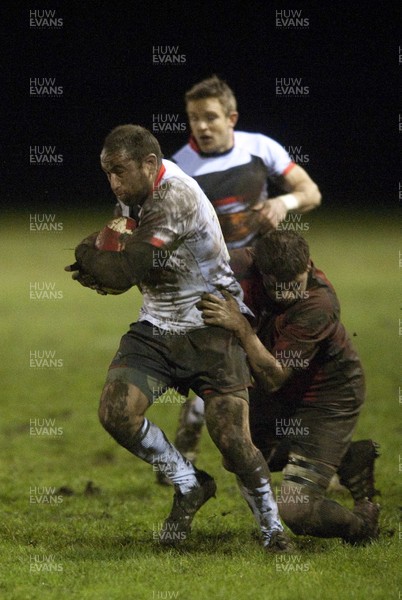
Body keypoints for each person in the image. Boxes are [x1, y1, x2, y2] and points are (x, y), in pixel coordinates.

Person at [65, 124, 293, 552]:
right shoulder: (134, 193)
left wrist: (85, 253)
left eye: (119, 171)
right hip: (157, 325)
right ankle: (190, 483)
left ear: (149, 165)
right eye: (107, 173)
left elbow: (121, 271)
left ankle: (272, 529)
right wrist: (102, 268)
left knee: (231, 439)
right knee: (116, 411)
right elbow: (123, 278)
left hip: (212, 323)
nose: (113, 182)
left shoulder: (175, 199)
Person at [159, 74, 322, 479]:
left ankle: (308, 455)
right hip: (215, 284)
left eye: (210, 117)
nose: (201, 126)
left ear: (231, 118)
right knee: (225, 368)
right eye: (194, 118)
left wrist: (285, 201)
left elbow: (311, 192)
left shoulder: (260, 147)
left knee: (281, 364)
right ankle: (190, 442)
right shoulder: (180, 167)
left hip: (267, 278)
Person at [198, 230, 380, 545]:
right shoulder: (239, 263)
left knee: (297, 510)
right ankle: (346, 457)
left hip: (326, 397)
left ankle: (362, 525)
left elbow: (274, 376)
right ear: (260, 269)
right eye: (274, 286)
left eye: (293, 285)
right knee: (236, 454)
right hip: (276, 392)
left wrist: (240, 326)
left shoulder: (319, 303)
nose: (284, 295)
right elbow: (189, 258)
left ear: (307, 267)